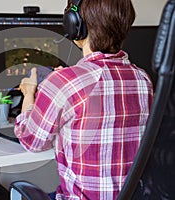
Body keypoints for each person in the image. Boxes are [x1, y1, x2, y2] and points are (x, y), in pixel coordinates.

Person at [14, 0, 154, 199]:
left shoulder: (63, 82)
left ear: (75, 25)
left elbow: (31, 141)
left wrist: (29, 94)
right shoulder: (143, 79)